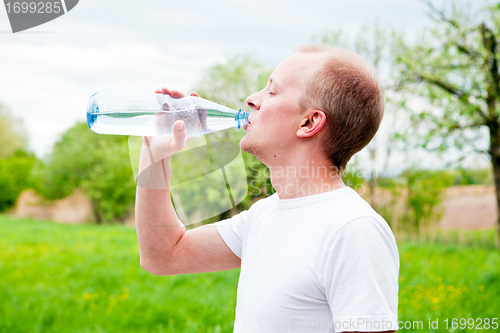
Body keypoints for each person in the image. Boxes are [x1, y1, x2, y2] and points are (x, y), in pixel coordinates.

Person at [135, 44, 399, 333]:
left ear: (309, 122)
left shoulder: (353, 230)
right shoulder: (263, 215)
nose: (251, 99)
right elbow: (163, 256)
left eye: (271, 91)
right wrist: (153, 157)